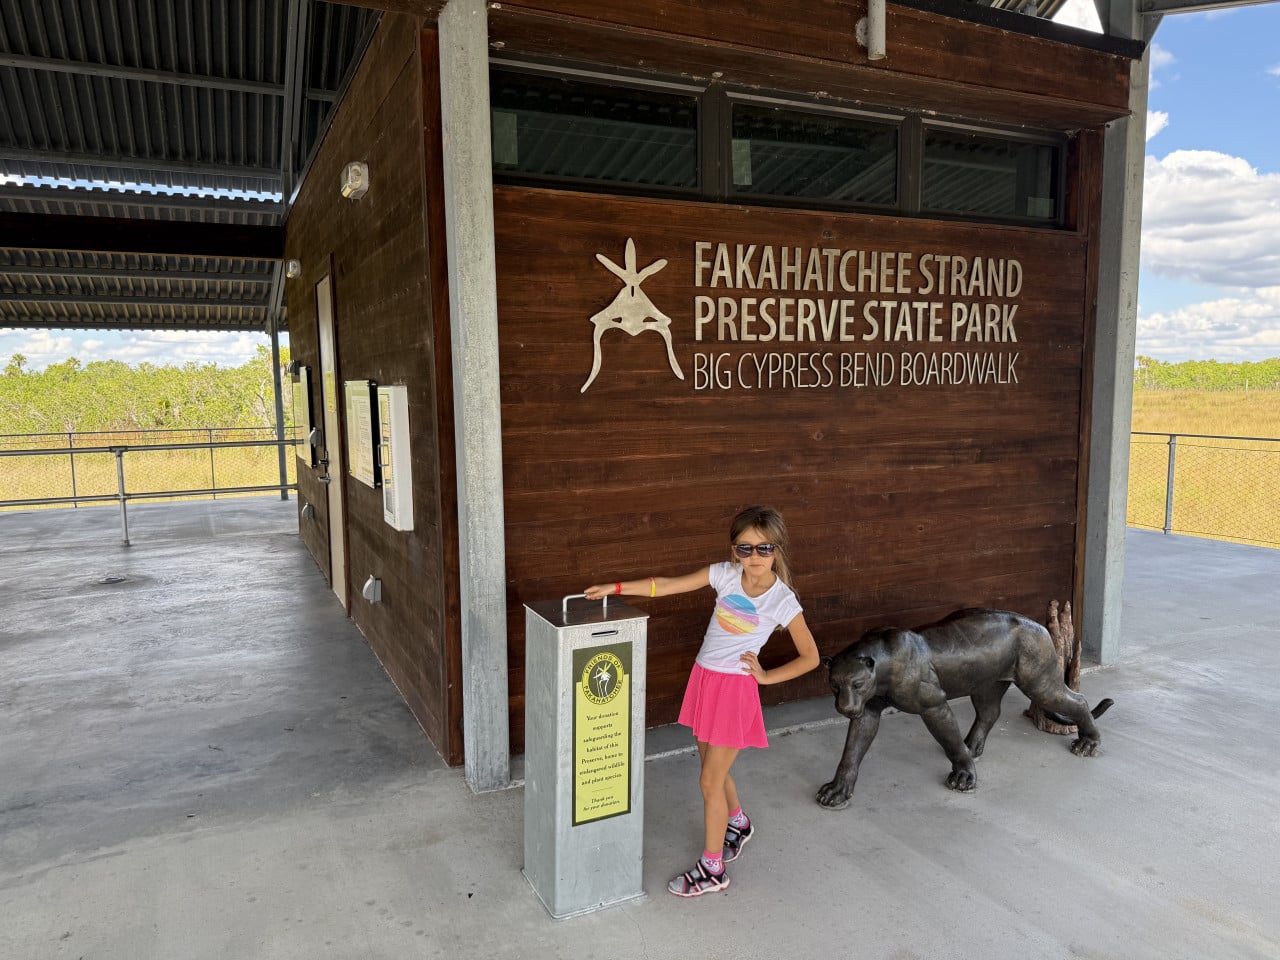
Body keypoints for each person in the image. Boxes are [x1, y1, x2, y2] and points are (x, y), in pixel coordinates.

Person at [585, 505, 820, 898]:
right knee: (713, 768)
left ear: (777, 550)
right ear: (734, 551)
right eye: (745, 549)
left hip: (733, 693)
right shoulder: (724, 575)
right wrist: (616, 588)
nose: (755, 557)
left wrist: (765, 677)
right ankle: (738, 823)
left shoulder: (782, 599)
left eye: (764, 549)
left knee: (709, 780)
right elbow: (666, 584)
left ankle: (713, 870)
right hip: (705, 682)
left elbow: (810, 657)